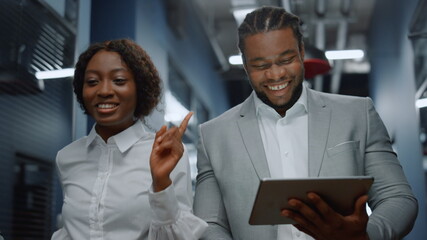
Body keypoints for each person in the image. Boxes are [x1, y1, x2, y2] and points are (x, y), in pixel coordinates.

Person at [193, 6, 417, 240]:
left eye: (286, 59)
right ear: (245, 64)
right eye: (261, 65)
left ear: (301, 51)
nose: (276, 74)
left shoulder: (357, 113)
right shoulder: (213, 136)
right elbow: (209, 223)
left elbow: (398, 198)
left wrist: (364, 236)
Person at [51, 39, 207, 239]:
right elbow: (70, 231)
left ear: (139, 88)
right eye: (92, 82)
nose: (104, 91)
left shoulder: (165, 154)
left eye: (119, 81)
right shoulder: (67, 157)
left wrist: (161, 184)